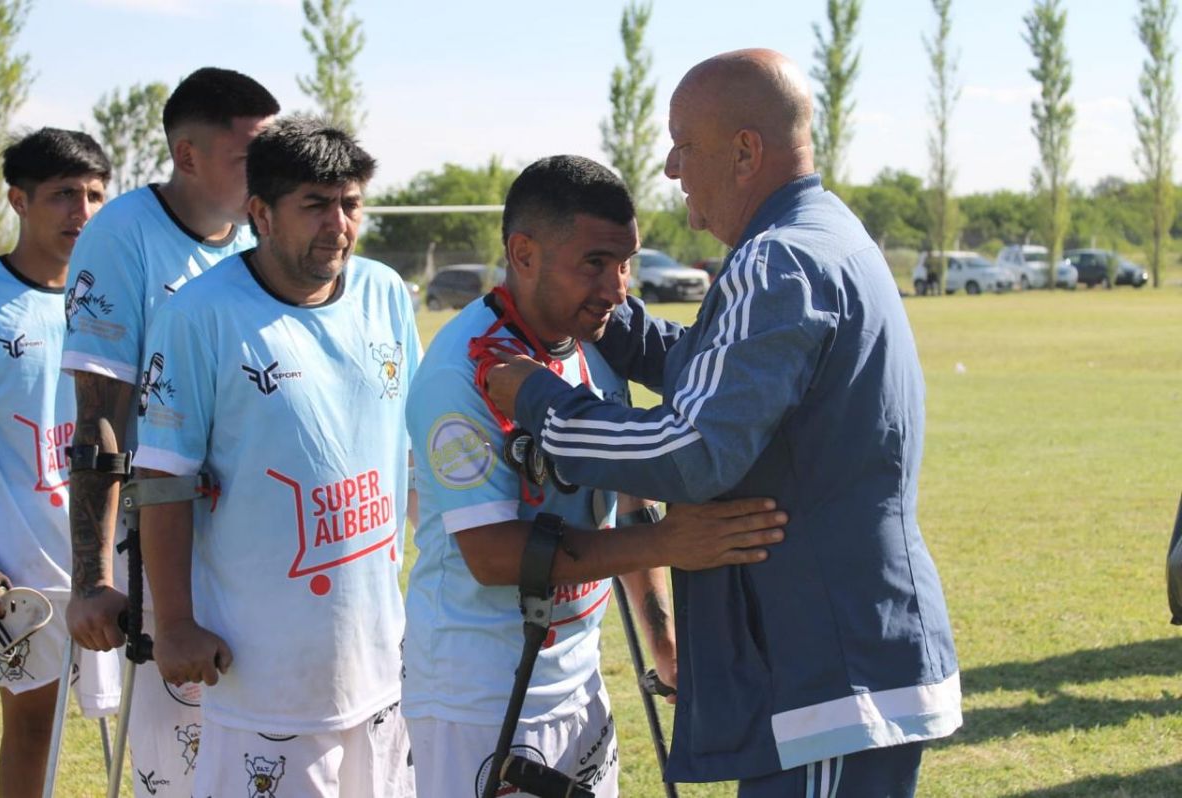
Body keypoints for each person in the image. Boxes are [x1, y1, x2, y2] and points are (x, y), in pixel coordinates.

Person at [484, 50, 962, 797]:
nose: (671, 168)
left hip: (827, 676)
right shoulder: (819, 234)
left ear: (745, 151)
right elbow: (732, 378)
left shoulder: (777, 261)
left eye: (683, 144)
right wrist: (611, 322)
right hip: (834, 665)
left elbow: (693, 448)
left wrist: (545, 406)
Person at [404, 154, 787, 798]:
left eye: (626, 262)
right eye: (595, 264)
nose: (617, 288)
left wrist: (660, 635)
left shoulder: (596, 339)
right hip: (478, 693)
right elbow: (493, 554)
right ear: (523, 253)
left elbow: (627, 486)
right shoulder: (465, 370)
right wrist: (673, 543)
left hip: (578, 674)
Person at [133, 115, 418, 797]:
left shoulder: (383, 293)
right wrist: (173, 624)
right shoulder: (199, 314)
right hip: (261, 664)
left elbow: (413, 453)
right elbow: (162, 479)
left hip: (379, 653)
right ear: (260, 212)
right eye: (315, 205)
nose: (339, 224)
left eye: (350, 204)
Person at [61, 66, 278, 797]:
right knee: (180, 764)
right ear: (187, 156)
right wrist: (93, 578)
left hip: (260, 542)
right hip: (165, 540)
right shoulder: (123, 235)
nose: (268, 174)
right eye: (250, 156)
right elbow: (99, 416)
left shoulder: (264, 232)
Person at [0, 128, 121, 798]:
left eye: (96, 194)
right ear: (18, 199)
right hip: (20, 564)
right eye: (65, 194)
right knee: (34, 724)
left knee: (152, 723)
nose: (83, 211)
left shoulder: (116, 302)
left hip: (118, 553)